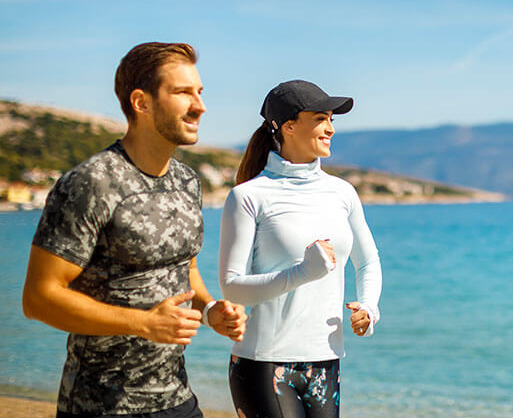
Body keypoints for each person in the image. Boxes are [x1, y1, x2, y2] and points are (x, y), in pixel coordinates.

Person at [22, 42, 248, 418]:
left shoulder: (187, 181)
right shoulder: (90, 183)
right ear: (141, 102)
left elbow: (182, 270)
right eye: (182, 92)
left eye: (200, 92)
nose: (200, 106)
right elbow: (38, 298)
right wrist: (143, 324)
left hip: (177, 399)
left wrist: (209, 311)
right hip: (101, 406)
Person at [219, 80, 382, 418]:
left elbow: (367, 262)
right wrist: (303, 273)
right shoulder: (249, 197)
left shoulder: (343, 193)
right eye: (321, 118)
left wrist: (369, 306)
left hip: (326, 359)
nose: (331, 129)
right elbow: (232, 287)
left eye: (332, 120)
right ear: (289, 126)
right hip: (264, 363)